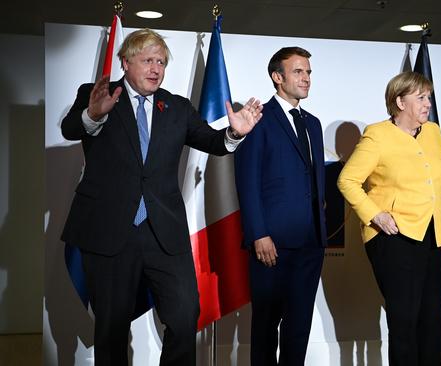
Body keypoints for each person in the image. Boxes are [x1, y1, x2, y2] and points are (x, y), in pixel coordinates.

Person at [60, 29, 262, 366]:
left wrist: (232, 133)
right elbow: (71, 129)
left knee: (184, 317)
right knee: (111, 329)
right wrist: (93, 115)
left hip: (163, 232)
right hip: (110, 232)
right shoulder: (97, 96)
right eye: (148, 60)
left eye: (161, 62)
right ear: (125, 62)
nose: (156, 68)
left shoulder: (178, 107)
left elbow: (212, 142)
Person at [337, 71, 441, 366]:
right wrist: (375, 215)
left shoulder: (433, 132)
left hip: (434, 237)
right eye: (420, 97)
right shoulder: (377, 134)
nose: (427, 103)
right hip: (395, 239)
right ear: (399, 102)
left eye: (428, 97)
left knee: (433, 318)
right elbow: (347, 180)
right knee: (404, 320)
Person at [234, 47, 327, 365]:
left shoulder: (313, 124)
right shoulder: (257, 120)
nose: (306, 78)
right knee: (265, 327)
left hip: (310, 243)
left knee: (299, 327)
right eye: (299, 71)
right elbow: (247, 181)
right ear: (277, 77)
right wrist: (258, 233)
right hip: (271, 243)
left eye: (309, 72)